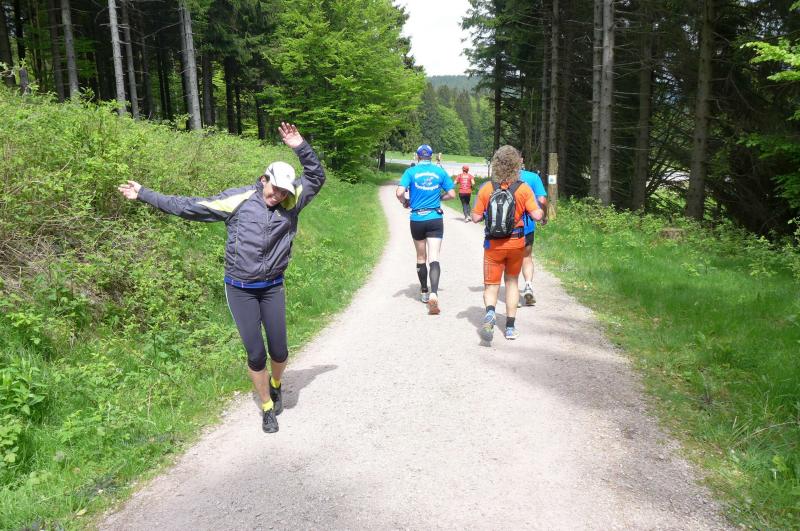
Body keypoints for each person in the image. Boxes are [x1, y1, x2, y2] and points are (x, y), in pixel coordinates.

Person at [117, 123, 324, 434]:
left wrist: (300, 146)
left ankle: (276, 383)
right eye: (274, 189)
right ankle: (267, 406)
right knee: (256, 354)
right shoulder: (238, 200)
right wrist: (145, 194)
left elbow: (316, 177)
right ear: (263, 179)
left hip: (272, 287)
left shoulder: (291, 202)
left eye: (284, 191)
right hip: (240, 289)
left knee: (279, 351)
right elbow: (189, 206)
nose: (278, 196)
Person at [471, 145, 543, 342]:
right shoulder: (523, 189)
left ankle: (490, 313)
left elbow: (475, 217)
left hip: (493, 245)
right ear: (516, 165)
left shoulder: (487, 188)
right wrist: (540, 211)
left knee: (491, 285)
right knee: (512, 282)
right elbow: (537, 215)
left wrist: (484, 213)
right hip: (516, 244)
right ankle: (510, 328)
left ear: (496, 164)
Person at [396, 144, 456, 315]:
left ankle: (424, 291)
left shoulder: (410, 172)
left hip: (417, 218)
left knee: (421, 256)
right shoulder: (439, 171)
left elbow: (399, 192)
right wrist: (440, 198)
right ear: (431, 156)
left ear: (417, 156)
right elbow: (452, 194)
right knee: (434, 257)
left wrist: (406, 202)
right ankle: (434, 293)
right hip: (435, 217)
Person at [518, 163, 548, 305]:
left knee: (510, 260)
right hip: (527, 225)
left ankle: (513, 296)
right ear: (521, 161)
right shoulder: (533, 177)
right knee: (527, 257)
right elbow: (542, 200)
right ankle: (528, 285)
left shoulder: (502, 177)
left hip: (507, 228)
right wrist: (543, 216)